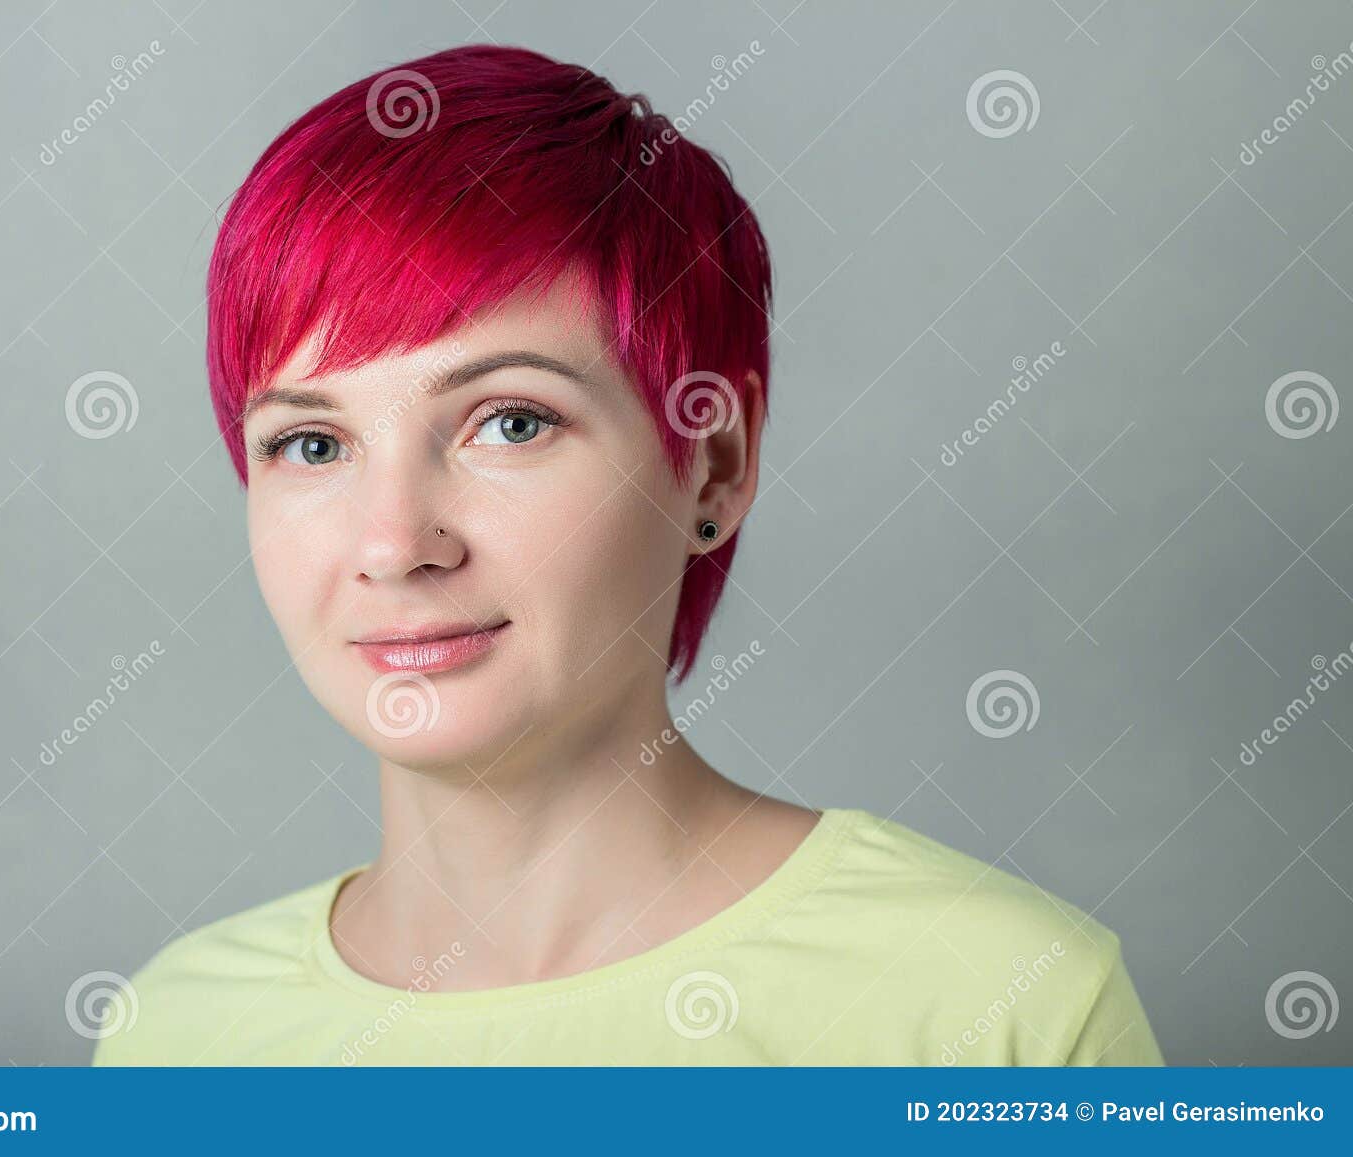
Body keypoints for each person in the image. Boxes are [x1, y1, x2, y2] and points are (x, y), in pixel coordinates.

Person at [91, 43, 1162, 1066]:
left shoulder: (1004, 1006)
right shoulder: (172, 1035)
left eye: (510, 421)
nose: (393, 541)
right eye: (310, 443)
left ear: (714, 464)